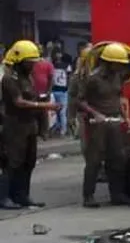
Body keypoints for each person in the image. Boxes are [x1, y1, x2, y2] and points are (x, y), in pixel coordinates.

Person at [0, 41, 60, 209]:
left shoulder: (28, 78)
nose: (33, 65)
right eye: (30, 62)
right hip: (14, 126)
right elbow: (19, 102)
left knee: (29, 162)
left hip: (29, 125)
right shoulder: (9, 79)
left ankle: (22, 195)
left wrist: (42, 120)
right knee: (12, 162)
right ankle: (4, 197)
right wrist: (44, 105)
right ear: (19, 61)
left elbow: (33, 98)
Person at [77, 42, 130, 208]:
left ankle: (117, 195)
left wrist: (126, 118)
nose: (120, 67)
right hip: (97, 124)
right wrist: (95, 113)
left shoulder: (117, 77)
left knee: (117, 159)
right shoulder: (92, 79)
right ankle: (88, 196)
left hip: (114, 122)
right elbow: (80, 101)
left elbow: (118, 99)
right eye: (117, 63)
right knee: (94, 160)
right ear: (108, 63)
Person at [67, 42, 93, 140]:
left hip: (99, 114)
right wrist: (71, 117)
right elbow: (72, 97)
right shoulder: (77, 77)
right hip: (83, 114)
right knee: (86, 143)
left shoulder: (99, 76)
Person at [50, 49, 71, 137]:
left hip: (63, 90)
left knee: (62, 111)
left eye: (59, 53)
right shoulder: (51, 65)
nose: (58, 56)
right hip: (55, 90)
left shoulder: (66, 65)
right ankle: (58, 128)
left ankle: (63, 129)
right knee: (56, 112)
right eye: (56, 54)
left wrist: (68, 88)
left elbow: (69, 77)